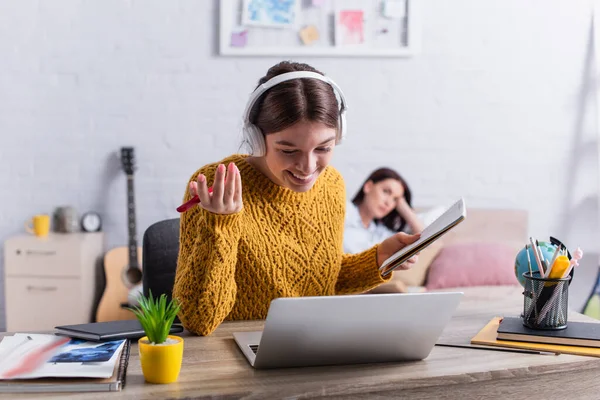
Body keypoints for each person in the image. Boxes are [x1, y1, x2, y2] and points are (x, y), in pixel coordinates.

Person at [172, 61, 420, 336]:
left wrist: (379, 258)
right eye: (288, 150)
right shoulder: (217, 186)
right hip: (235, 354)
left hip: (312, 345)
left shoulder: (332, 184)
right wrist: (221, 225)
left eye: (323, 148)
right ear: (256, 139)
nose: (308, 166)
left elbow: (321, 281)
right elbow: (198, 319)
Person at [343, 167, 425, 255]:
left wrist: (403, 207)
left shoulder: (381, 234)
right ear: (368, 186)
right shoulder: (344, 210)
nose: (388, 203)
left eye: (395, 199)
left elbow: (423, 238)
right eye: (386, 191)